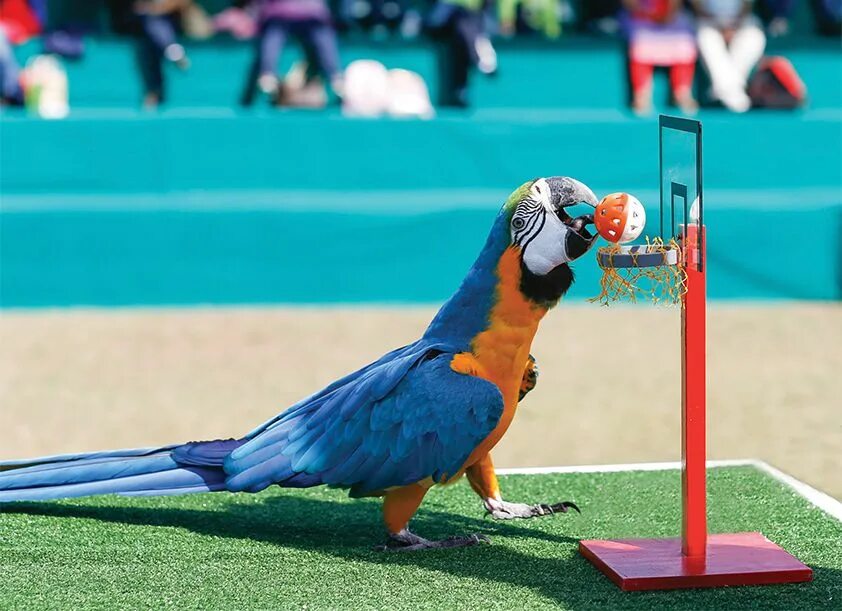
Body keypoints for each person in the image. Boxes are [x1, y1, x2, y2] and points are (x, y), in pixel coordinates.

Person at [240, 0, 343, 106]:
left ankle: (335, 80)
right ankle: (267, 78)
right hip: (281, 14)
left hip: (311, 14)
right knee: (273, 36)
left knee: (322, 37)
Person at [621, 0, 698, 115]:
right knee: (640, 47)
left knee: (684, 46)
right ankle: (642, 95)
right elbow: (630, 4)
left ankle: (682, 93)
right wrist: (648, 13)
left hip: (673, 21)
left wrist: (667, 13)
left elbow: (674, 7)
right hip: (640, 21)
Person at [692, 0, 766, 112]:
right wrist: (718, 25)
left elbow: (747, 6)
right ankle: (733, 94)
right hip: (708, 22)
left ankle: (724, 93)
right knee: (706, 38)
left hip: (741, 23)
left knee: (755, 36)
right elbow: (697, 5)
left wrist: (733, 26)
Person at [426, 0, 496, 108]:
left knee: (464, 26)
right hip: (442, 21)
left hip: (469, 22)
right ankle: (480, 52)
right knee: (463, 23)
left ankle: (479, 51)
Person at [134, 0, 191, 108]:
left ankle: (172, 50)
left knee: (156, 24)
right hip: (146, 33)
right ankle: (173, 51)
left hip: (172, 25)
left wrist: (158, 9)